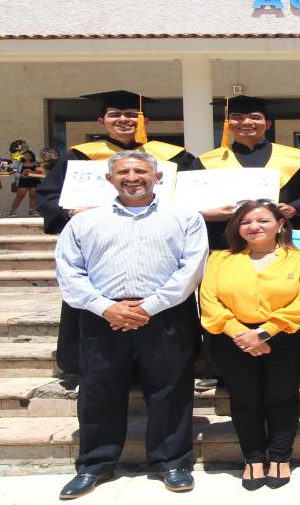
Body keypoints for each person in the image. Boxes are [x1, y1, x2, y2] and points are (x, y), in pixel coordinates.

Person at [53, 151, 208, 499]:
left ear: (158, 177)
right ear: (110, 179)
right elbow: (69, 271)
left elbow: (191, 269)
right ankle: (95, 464)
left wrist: (149, 307)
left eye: (141, 170)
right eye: (123, 171)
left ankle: (172, 462)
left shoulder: (185, 217)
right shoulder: (83, 222)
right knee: (98, 391)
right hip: (102, 317)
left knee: (170, 390)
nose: (133, 177)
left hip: (166, 315)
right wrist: (105, 307)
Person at [36, 90, 196, 379]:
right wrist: (72, 213)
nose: (124, 119)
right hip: (104, 252)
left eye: (132, 114)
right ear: (101, 121)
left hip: (158, 246)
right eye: (115, 114)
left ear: (144, 120)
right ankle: (82, 365)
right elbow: (47, 198)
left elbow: (194, 194)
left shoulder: (174, 157)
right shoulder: (78, 157)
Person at [199, 200, 300, 490]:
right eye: (245, 222)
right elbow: (209, 300)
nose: (254, 227)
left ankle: (280, 456)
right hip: (233, 339)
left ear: (280, 224)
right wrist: (241, 333)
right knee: (244, 399)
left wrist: (264, 333)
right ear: (236, 228)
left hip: (285, 338)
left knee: (282, 396)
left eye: (263, 220)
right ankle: (253, 458)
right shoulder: (219, 259)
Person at [193, 95, 300, 248]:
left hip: (282, 242)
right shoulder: (207, 161)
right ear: (228, 124)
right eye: (237, 117)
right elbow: (189, 203)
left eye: (255, 117)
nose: (246, 122)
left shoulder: (296, 158)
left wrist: (296, 208)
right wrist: (206, 214)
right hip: (225, 243)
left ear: (268, 124)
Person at [9, 149, 41, 216]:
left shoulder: (36, 162)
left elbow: (40, 171)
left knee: (33, 195)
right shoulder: (18, 162)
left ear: (32, 156)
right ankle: (13, 210)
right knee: (20, 195)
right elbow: (13, 171)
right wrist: (21, 175)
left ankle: (32, 210)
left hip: (34, 180)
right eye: (25, 155)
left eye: (29, 155)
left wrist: (34, 172)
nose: (27, 157)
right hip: (23, 180)